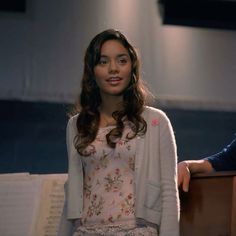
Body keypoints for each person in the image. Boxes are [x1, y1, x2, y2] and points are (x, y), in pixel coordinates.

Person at [58, 29, 179, 236]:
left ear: (132, 67)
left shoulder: (155, 121)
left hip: (136, 230)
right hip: (86, 231)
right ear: (92, 70)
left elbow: (169, 193)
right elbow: (73, 195)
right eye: (103, 62)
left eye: (121, 60)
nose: (113, 69)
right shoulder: (76, 125)